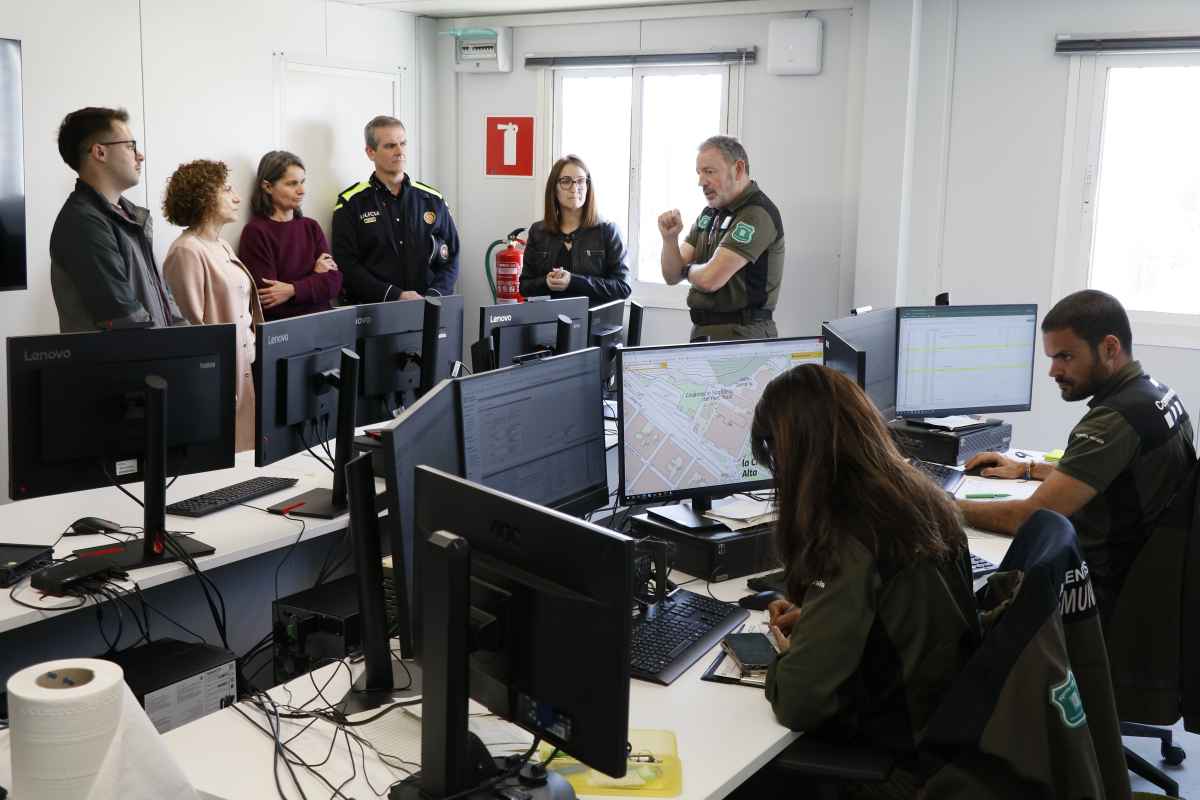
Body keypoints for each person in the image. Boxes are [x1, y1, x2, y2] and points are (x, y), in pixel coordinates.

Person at [750, 365, 979, 798]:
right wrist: (821, 614)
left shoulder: (849, 538)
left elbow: (800, 700)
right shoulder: (917, 500)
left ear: (792, 457)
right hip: (945, 741)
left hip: (894, 771)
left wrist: (783, 659)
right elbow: (890, 611)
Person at [959, 289, 1196, 614]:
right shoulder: (1158, 393)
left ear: (1110, 348)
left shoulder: (1112, 421)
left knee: (962, 596)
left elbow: (1025, 519)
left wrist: (945, 506)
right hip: (1148, 581)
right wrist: (1028, 469)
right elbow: (1111, 475)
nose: (1053, 371)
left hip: (1096, 590)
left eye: (1065, 357)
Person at [49, 107, 186, 332]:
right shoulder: (83, 222)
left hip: (154, 361)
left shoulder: (129, 217)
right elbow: (124, 317)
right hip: (126, 365)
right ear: (100, 152)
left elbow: (165, 303)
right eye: (131, 146)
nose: (140, 155)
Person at [161, 160, 264, 453]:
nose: (237, 198)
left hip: (243, 370)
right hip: (216, 382)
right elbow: (189, 329)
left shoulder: (221, 245)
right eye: (227, 189)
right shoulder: (186, 250)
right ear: (204, 195)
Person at [657, 135, 784, 341]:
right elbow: (671, 276)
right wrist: (669, 240)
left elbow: (710, 279)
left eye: (709, 172)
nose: (701, 182)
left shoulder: (756, 213)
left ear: (739, 169)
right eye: (699, 173)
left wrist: (686, 270)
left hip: (742, 335)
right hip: (705, 332)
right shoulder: (710, 213)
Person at [332, 115, 459, 303]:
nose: (399, 151)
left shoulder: (432, 200)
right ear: (370, 152)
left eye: (403, 143)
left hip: (429, 306)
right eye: (390, 146)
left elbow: (451, 256)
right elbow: (347, 265)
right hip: (375, 311)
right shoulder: (351, 203)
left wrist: (433, 297)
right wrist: (394, 295)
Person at [238, 151, 342, 320]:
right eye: (292, 184)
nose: (301, 190)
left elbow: (334, 283)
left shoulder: (311, 227)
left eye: (302, 182)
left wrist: (292, 290)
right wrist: (316, 277)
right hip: (286, 332)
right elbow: (270, 300)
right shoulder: (256, 232)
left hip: (324, 325)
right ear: (268, 186)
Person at [520, 155, 630, 305]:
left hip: (593, 325)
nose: (574, 188)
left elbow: (623, 287)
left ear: (588, 186)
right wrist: (546, 283)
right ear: (554, 188)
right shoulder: (538, 231)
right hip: (548, 323)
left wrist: (574, 281)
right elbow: (524, 287)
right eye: (566, 181)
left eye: (580, 181)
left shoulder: (608, 231)